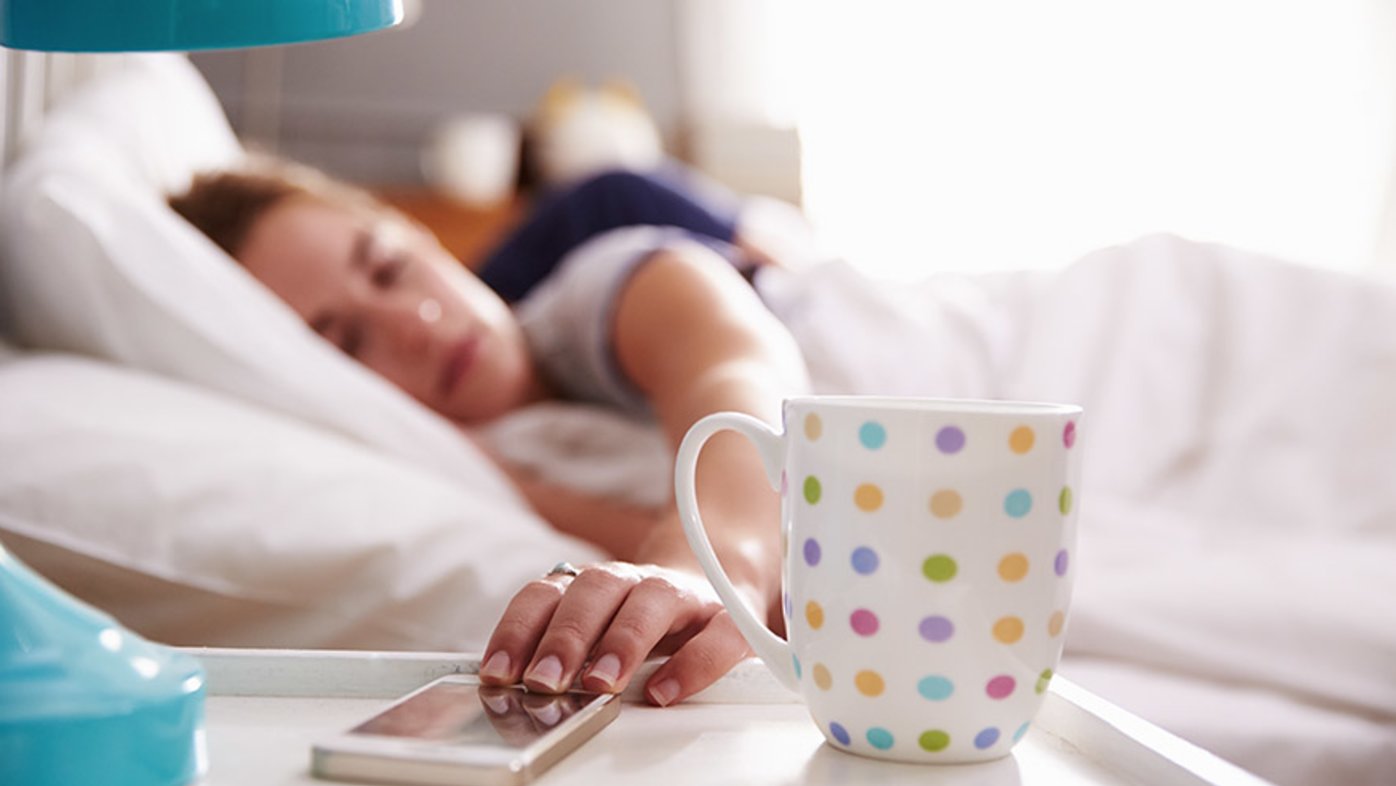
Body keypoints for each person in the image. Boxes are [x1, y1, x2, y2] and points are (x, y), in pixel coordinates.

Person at [168, 156, 811, 707]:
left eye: (390, 268)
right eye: (350, 345)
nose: (416, 323)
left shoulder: (595, 294)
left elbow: (738, 377)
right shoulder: (486, 467)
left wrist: (710, 567)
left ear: (421, 236)